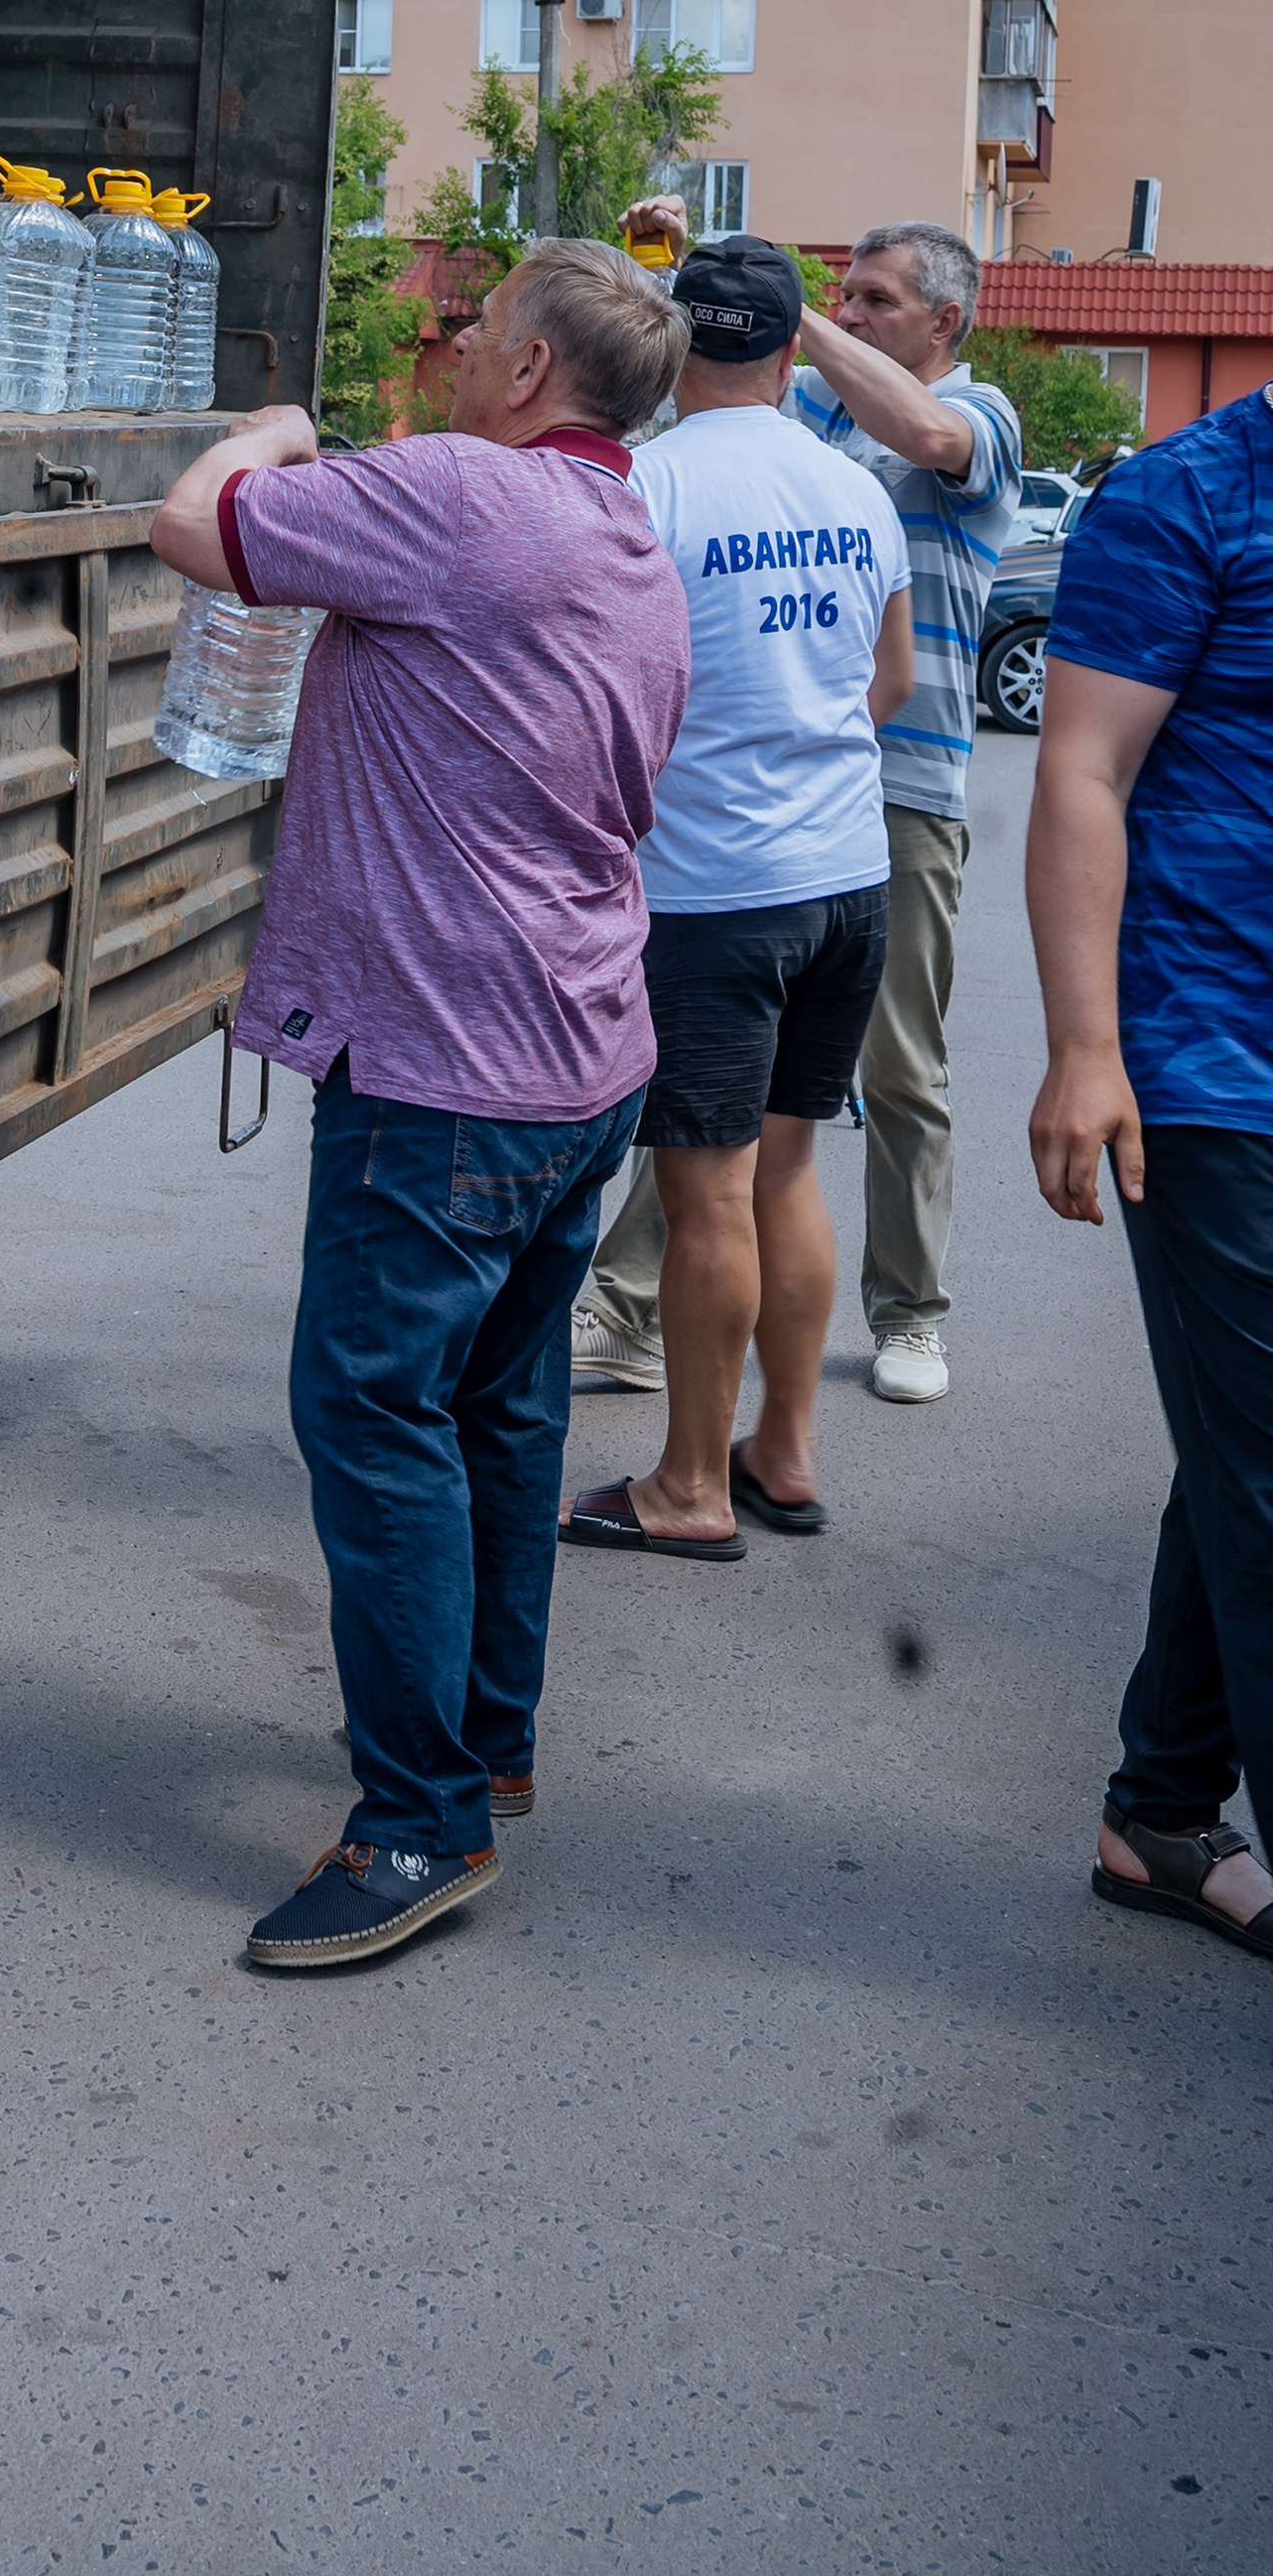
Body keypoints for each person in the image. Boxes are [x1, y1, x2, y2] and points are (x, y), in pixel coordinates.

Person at [150, 241, 692, 1972]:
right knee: (500, 1410)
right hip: (580, 1055)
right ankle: (487, 1737)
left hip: (447, 1071)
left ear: (530, 369)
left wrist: (273, 428)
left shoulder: (466, 495)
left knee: (374, 1412)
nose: (454, 351)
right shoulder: (626, 535)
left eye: (477, 330)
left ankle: (417, 1825)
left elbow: (194, 529)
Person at [578, 216, 1019, 1407]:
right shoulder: (814, 417)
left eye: (876, 300)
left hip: (900, 793)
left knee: (897, 1069)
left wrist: (783, 310)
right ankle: (631, 1312)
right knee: (719, 1094)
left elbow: (921, 435)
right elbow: (729, 404)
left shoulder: (976, 416)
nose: (854, 314)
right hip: (783, 795)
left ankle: (910, 1313)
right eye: (842, 295)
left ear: (946, 322)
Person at [560, 237, 913, 1562]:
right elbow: (890, 684)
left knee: (705, 1191)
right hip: (847, 878)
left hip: (714, 891)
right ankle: (783, 1451)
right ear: (790, 348)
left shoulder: (643, 486)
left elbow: (597, 700)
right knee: (789, 1170)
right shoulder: (853, 485)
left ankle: (691, 1489)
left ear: (671, 344)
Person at [1026, 384, 1273, 1958]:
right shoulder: (1189, 496)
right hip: (1214, 1058)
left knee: (1242, 1449)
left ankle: (1163, 1813)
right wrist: (1084, 1047)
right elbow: (1082, 772)